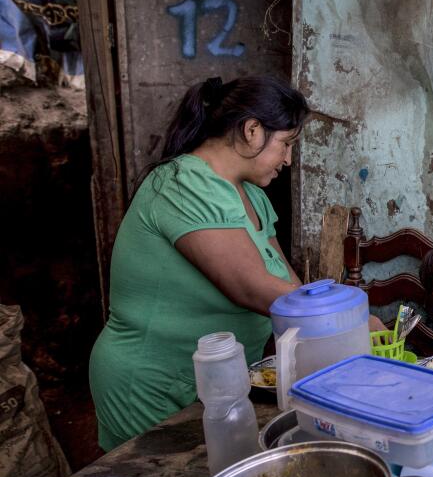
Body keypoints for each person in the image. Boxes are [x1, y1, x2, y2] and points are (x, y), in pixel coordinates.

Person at [89, 76, 310, 451]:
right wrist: (349, 313)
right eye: (286, 144)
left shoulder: (253, 197)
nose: (288, 160)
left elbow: (289, 287)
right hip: (153, 383)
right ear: (252, 130)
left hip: (216, 384)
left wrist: (333, 316)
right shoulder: (180, 184)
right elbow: (251, 287)